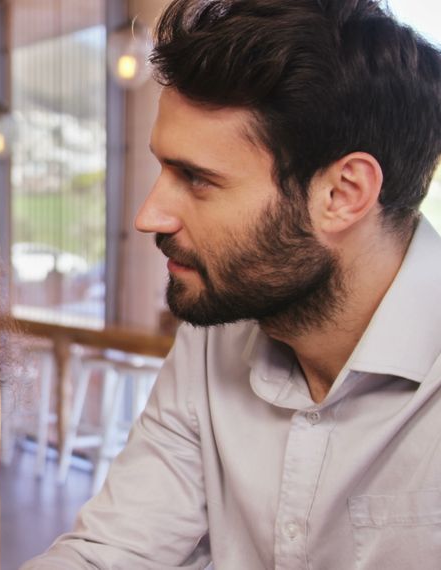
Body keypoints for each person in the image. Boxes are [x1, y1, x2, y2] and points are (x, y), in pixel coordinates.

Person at [24, 0, 441, 568]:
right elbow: (113, 553)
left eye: (197, 179)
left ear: (342, 194)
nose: (148, 216)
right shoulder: (214, 332)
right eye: (164, 170)